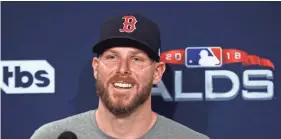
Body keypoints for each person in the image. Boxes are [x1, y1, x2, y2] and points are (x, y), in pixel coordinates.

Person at [30, 14, 210, 139]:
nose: (122, 69)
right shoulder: (51, 136)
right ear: (96, 68)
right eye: (112, 57)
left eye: (136, 59)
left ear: (157, 72)